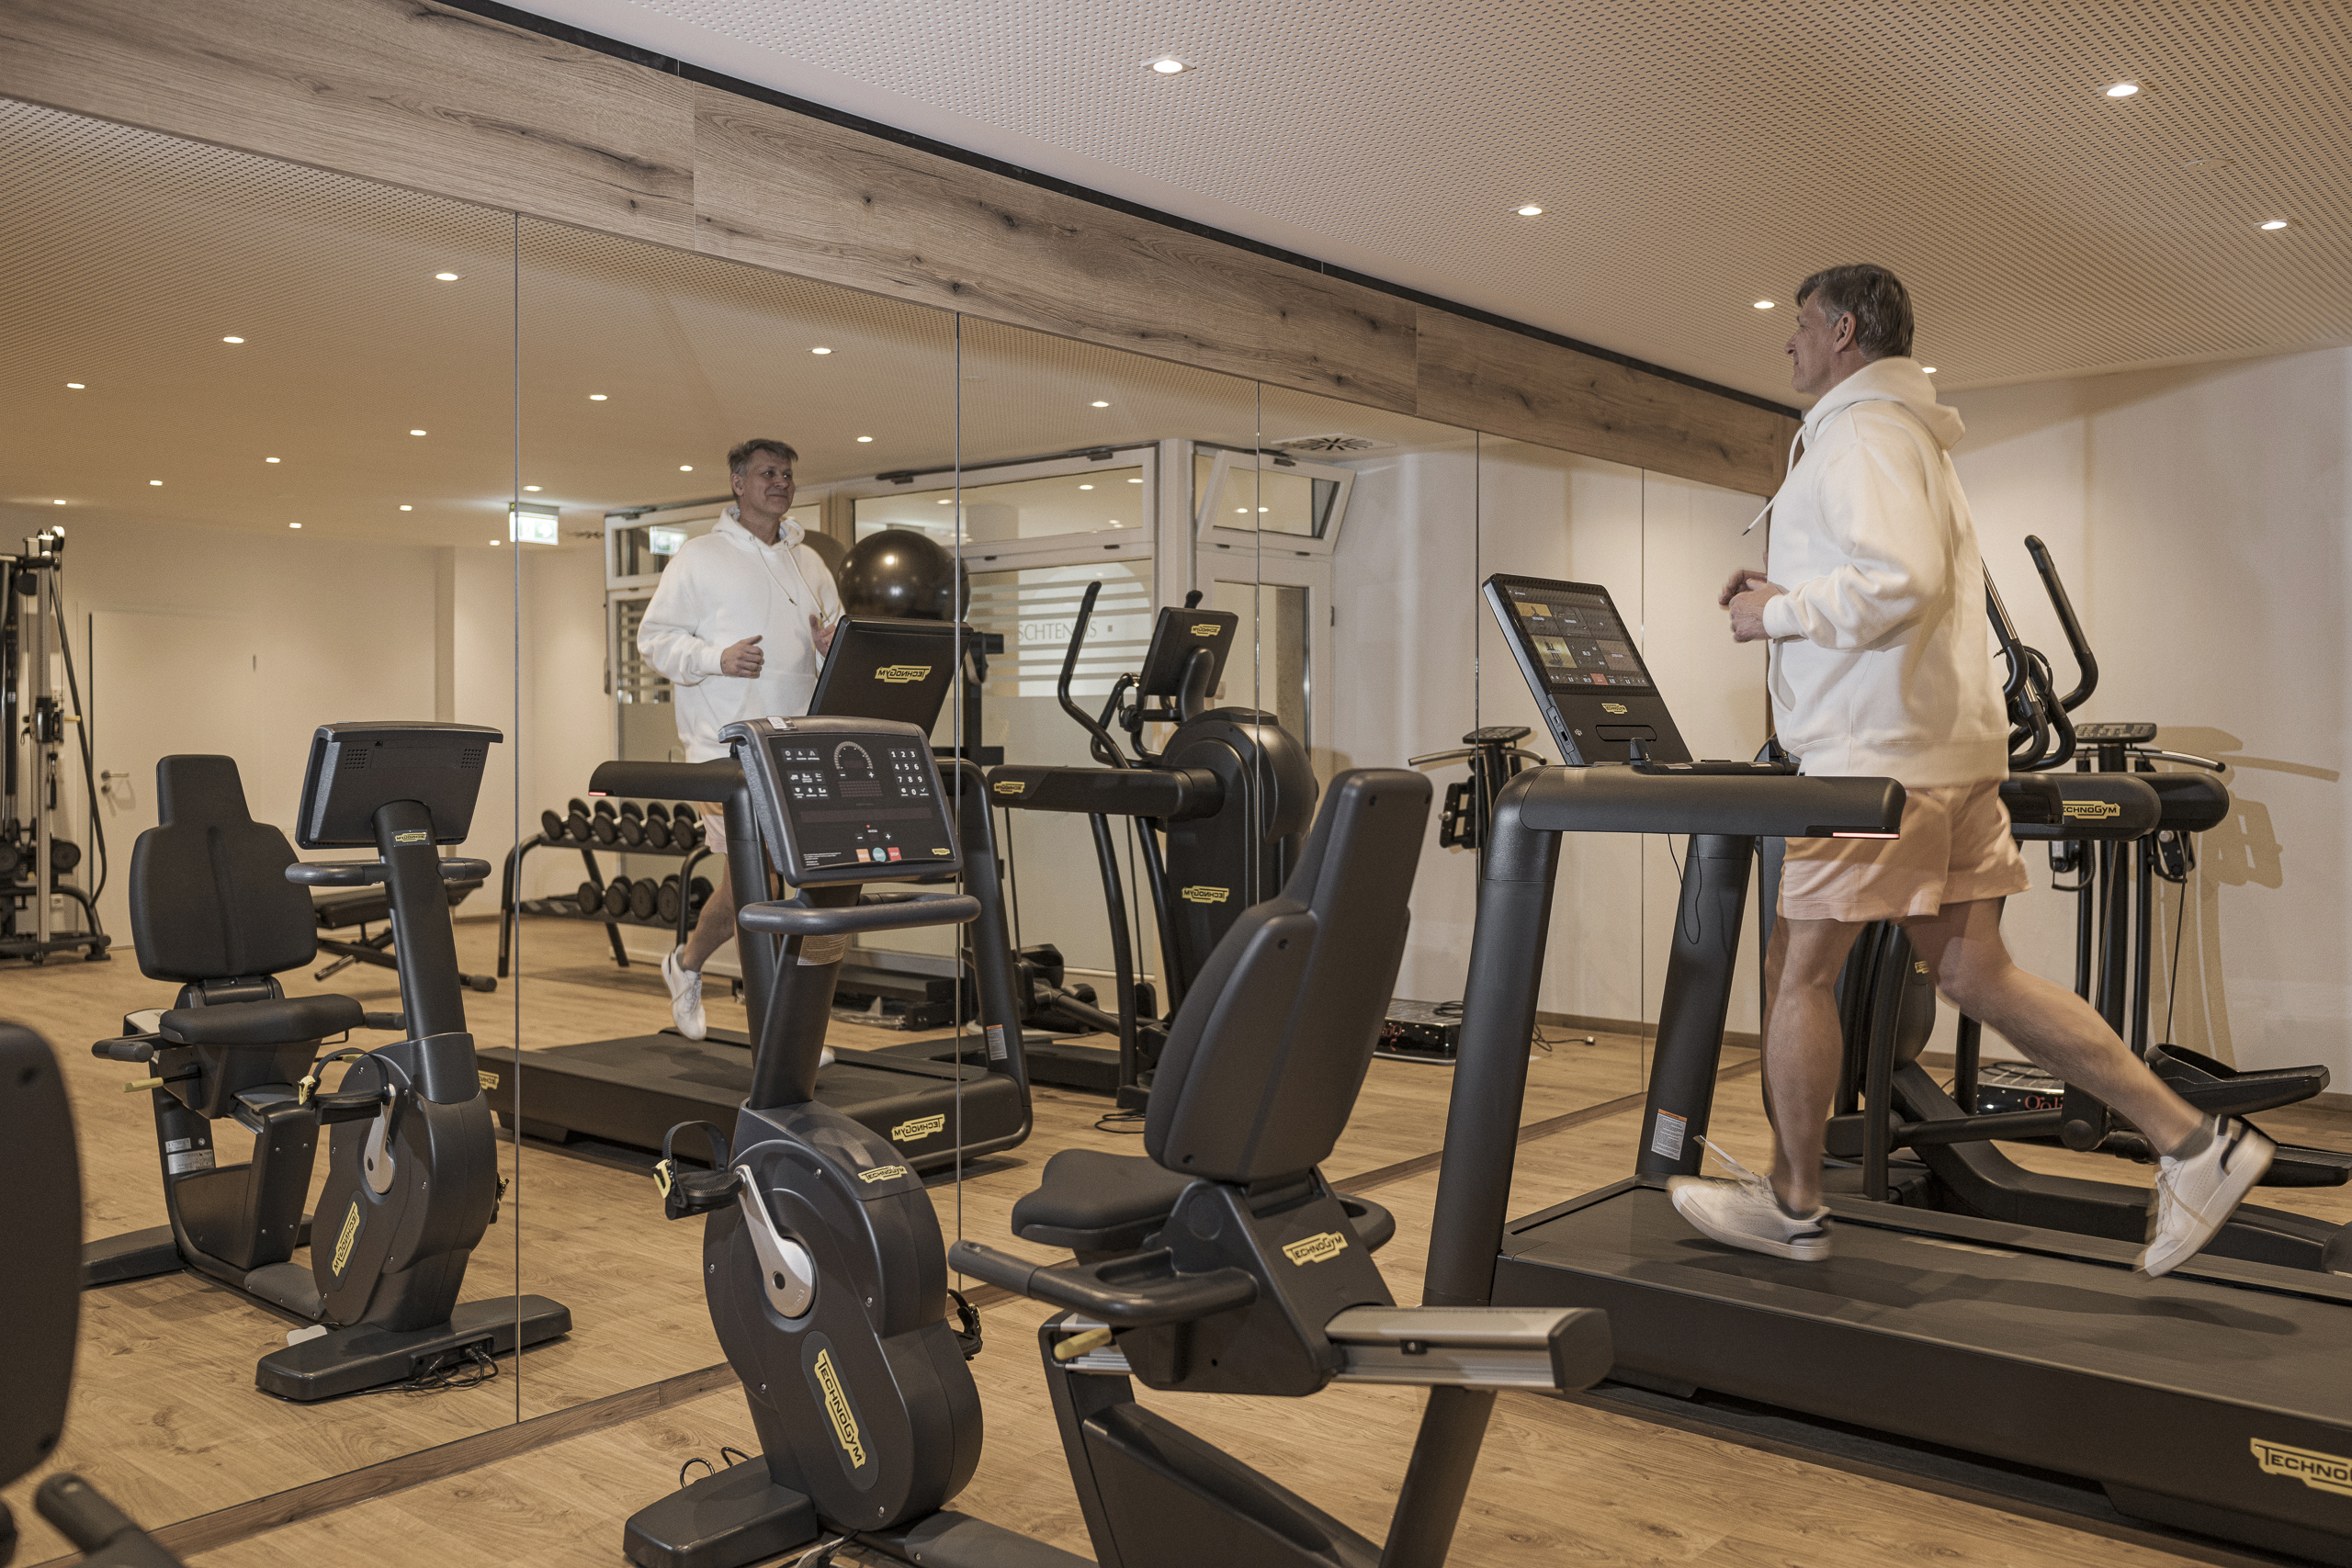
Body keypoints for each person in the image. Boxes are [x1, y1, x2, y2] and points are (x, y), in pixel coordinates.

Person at [1668, 264, 2269, 1278]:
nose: (1789, 341)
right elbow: (1898, 576)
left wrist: (1775, 613)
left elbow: (1898, 579)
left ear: (1843, 331)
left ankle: (1795, 1204)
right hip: (1942, 749)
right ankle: (2191, 1142)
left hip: (1872, 763)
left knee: (1797, 969)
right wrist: (1788, 592)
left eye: (1801, 324)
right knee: (1973, 973)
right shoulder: (1907, 434)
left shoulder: (1860, 433)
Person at [638, 438, 842, 1043]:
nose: (780, 482)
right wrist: (716, 657)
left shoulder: (810, 563)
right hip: (726, 753)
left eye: (787, 474)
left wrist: (830, 648)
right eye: (766, 473)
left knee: (749, 891)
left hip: (798, 748)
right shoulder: (699, 557)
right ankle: (785, 1034)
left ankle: (686, 963)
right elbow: (654, 641)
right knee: (769, 887)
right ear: (738, 483)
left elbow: (835, 643)